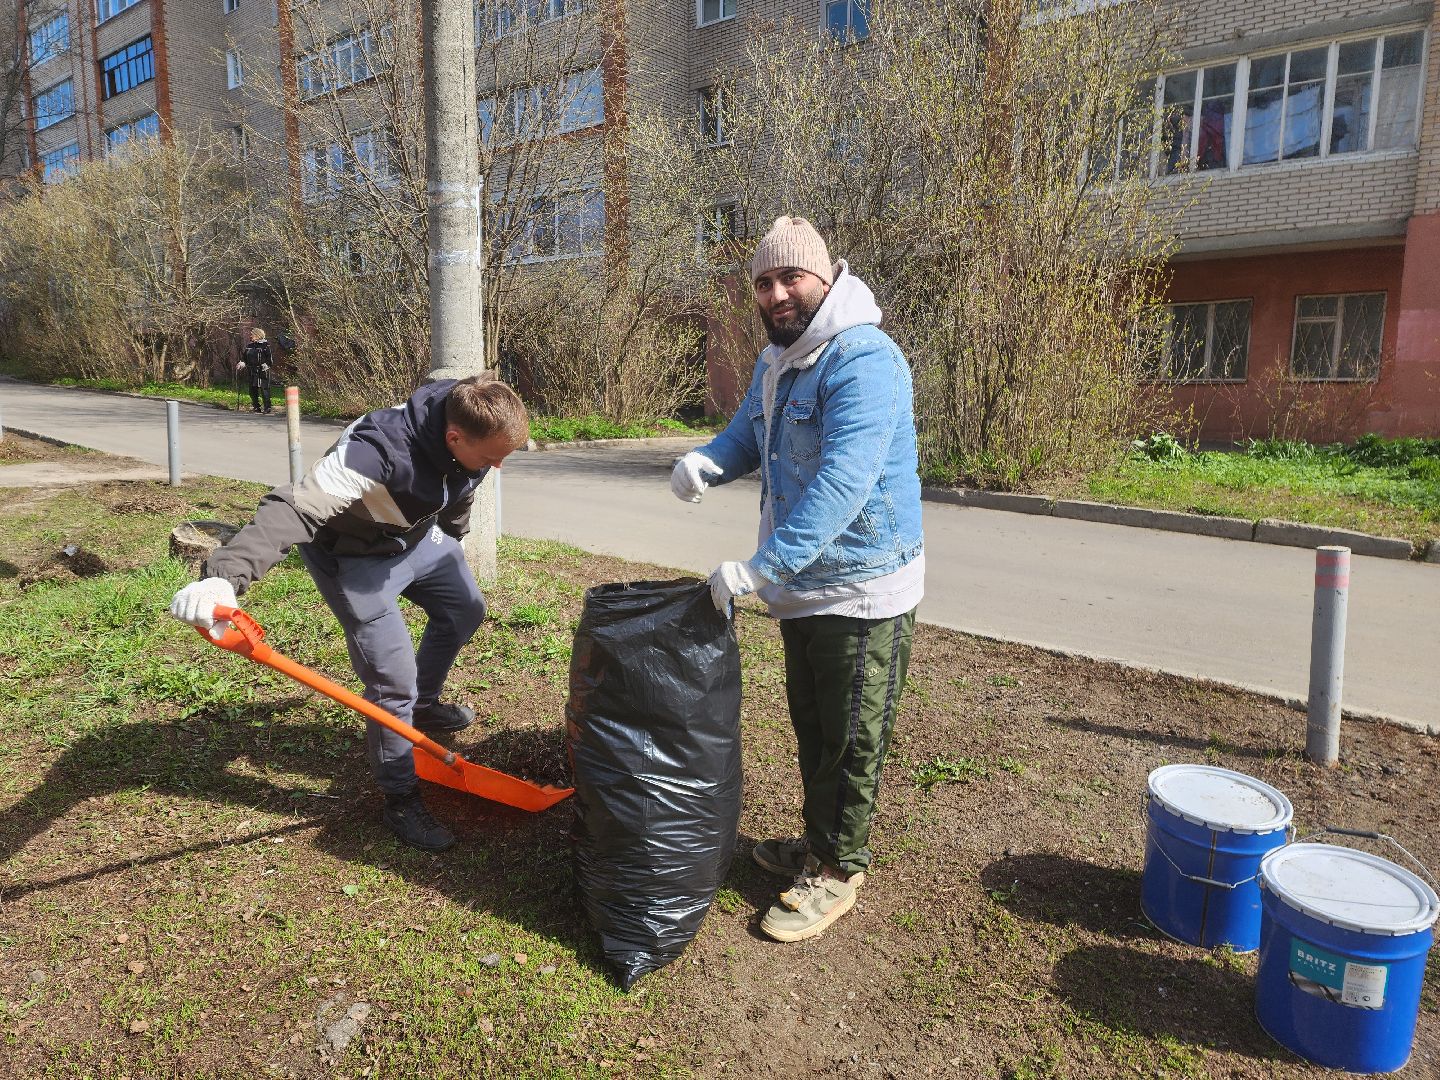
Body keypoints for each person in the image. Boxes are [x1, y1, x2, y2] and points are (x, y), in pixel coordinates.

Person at [670, 216, 924, 942]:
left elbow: (844, 484)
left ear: (826, 277)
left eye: (791, 279)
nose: (777, 294)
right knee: (814, 725)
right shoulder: (779, 360)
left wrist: (759, 568)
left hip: (862, 586)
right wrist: (708, 462)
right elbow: (752, 432)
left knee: (849, 734)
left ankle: (839, 872)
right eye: (763, 282)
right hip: (807, 589)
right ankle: (819, 843)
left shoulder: (863, 359)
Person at [170, 373, 528, 852]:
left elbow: (460, 485)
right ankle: (400, 797)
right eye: (491, 457)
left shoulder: (471, 414)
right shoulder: (373, 452)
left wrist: (454, 533)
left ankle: (422, 707)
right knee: (391, 680)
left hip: (418, 538)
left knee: (465, 609)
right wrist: (224, 574)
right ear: (453, 437)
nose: (498, 466)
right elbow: (294, 507)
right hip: (354, 557)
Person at [238, 327, 274, 414]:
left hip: (263, 371)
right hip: (252, 371)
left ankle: (267, 407)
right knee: (252, 390)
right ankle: (256, 407)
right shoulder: (249, 346)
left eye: (252, 335)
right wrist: (241, 364)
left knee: (264, 389)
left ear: (258, 335)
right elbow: (244, 358)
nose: (250, 336)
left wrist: (265, 366)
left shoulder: (265, 345)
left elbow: (270, 360)